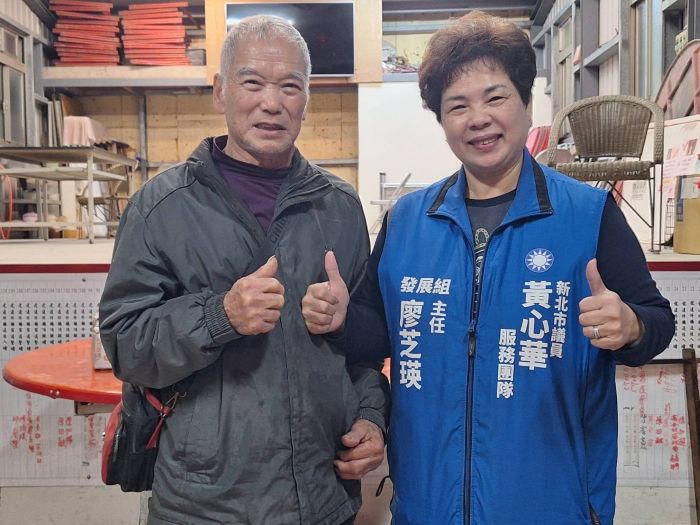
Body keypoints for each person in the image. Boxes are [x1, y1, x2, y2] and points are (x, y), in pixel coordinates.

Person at [301, 11, 675, 525]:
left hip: (553, 505)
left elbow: (657, 323)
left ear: (525, 103)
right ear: (442, 122)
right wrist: (342, 318)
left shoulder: (588, 216)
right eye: (457, 106)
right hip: (428, 504)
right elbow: (376, 337)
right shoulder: (408, 221)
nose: (478, 119)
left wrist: (630, 326)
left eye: (495, 98)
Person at [99, 15, 389, 525]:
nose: (271, 103)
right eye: (252, 82)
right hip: (204, 504)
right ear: (220, 91)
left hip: (320, 497)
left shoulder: (338, 207)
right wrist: (219, 316)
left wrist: (370, 417)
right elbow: (126, 344)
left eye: (290, 87)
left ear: (306, 100)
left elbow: (364, 352)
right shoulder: (162, 206)